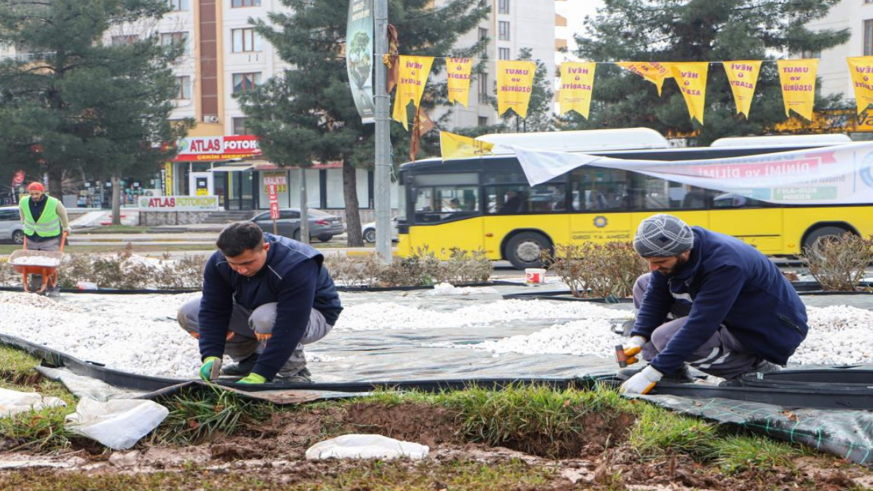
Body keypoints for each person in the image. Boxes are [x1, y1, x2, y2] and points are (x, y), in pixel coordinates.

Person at [618, 214, 808, 395]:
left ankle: (750, 369)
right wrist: (638, 338)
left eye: (660, 262)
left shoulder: (726, 264)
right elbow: (655, 296)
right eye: (649, 261)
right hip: (731, 312)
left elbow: (701, 325)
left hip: (768, 327)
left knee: (665, 337)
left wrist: (652, 374)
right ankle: (671, 373)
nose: (654, 267)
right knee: (644, 283)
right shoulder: (679, 245)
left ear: (685, 251)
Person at [177, 222, 343, 384]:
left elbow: (292, 323)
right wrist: (211, 354)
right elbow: (213, 309)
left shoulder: (296, 263)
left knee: (265, 317)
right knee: (190, 313)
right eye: (233, 264)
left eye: (247, 263)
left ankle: (294, 371)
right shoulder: (218, 262)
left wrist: (263, 373)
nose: (241, 270)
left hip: (313, 316)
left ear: (265, 248)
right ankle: (250, 360)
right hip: (257, 312)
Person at [19, 182, 71, 294]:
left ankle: (51, 286)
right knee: (33, 264)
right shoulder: (23, 201)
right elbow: (22, 211)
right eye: (31, 194)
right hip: (31, 237)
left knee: (48, 264)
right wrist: (23, 223)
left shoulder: (54, 203)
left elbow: (63, 214)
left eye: (36, 194)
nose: (34, 196)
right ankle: (35, 287)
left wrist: (66, 227)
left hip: (49, 238)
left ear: (43, 191)